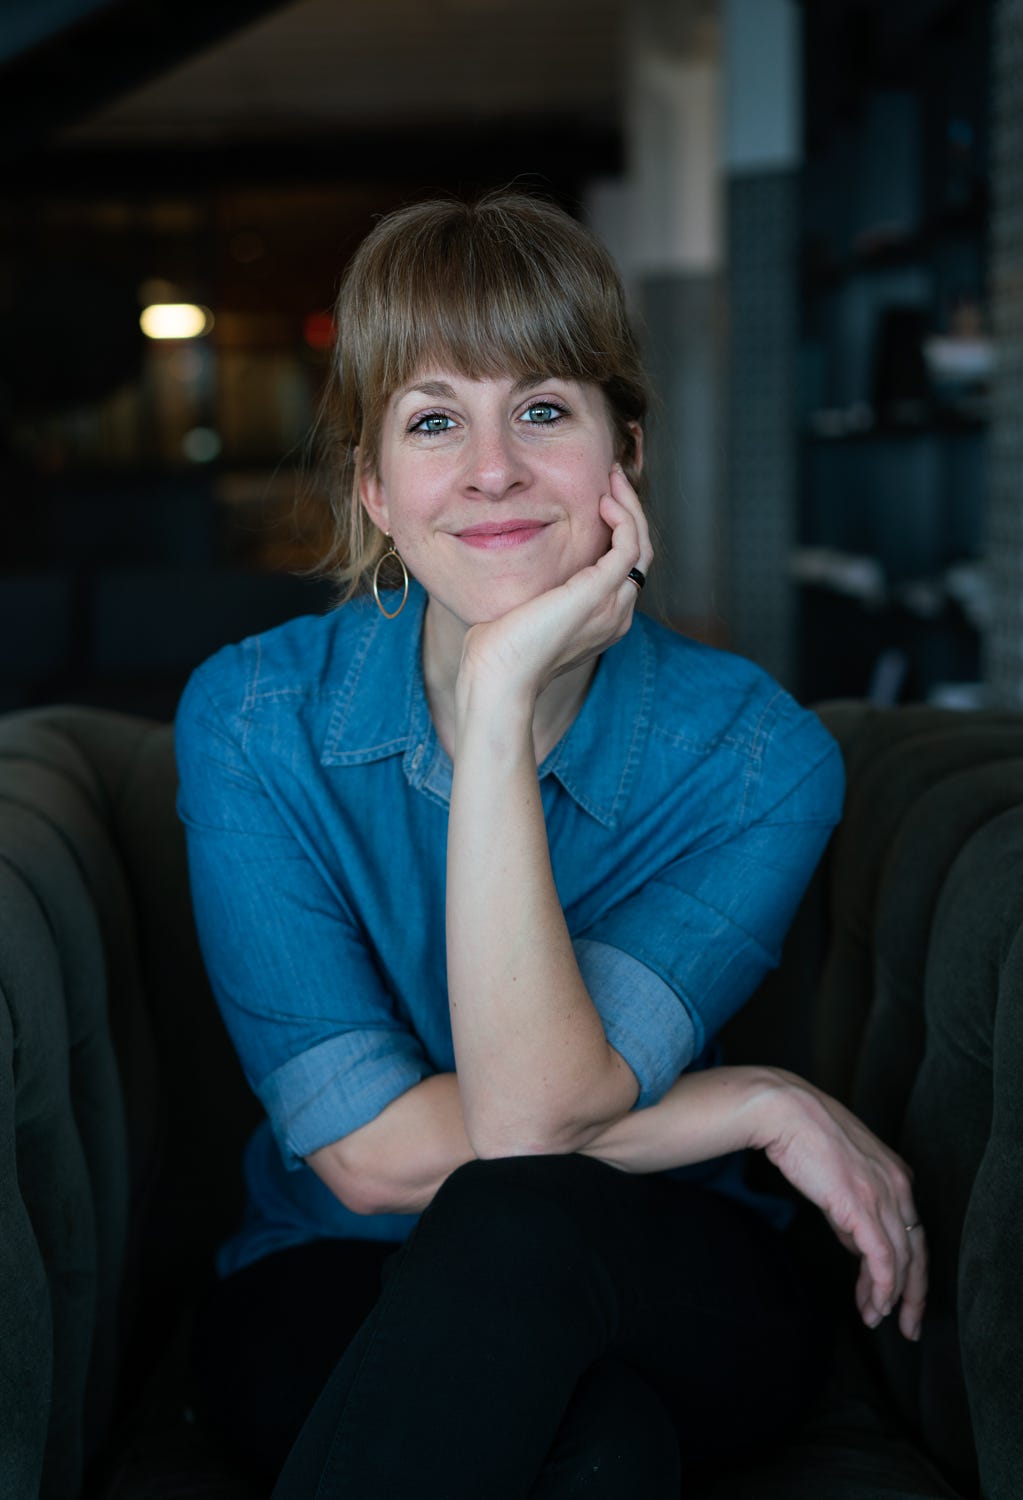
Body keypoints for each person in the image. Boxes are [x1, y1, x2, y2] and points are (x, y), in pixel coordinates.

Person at [174, 191, 928, 1498]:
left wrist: (501, 694)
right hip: (334, 1266)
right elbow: (367, 1161)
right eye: (431, 422)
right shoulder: (251, 716)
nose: (491, 468)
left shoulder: (755, 756)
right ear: (373, 488)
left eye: (541, 409)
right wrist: (745, 1104)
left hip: (658, 1260)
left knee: (526, 1219)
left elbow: (530, 1143)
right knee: (598, 1451)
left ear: (620, 452)